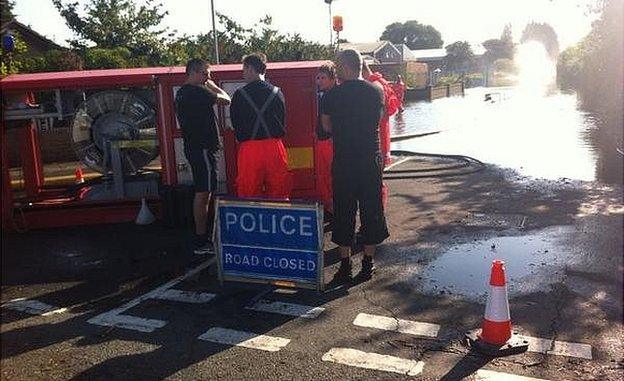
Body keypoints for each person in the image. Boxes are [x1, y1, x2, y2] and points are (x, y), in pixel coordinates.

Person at [321, 49, 389, 283]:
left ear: (347, 67)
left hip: (344, 160)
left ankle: (345, 265)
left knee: (344, 211)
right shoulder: (376, 91)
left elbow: (326, 127)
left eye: (339, 65)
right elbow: (379, 120)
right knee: (372, 210)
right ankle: (368, 264)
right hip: (370, 157)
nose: (336, 69)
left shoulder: (331, 96)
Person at [175, 58, 231, 255]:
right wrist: (213, 85)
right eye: (206, 74)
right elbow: (226, 99)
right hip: (203, 149)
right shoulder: (197, 91)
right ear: (195, 73)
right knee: (204, 192)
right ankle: (202, 238)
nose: (209, 78)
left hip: (196, 148)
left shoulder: (182, 93)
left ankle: (205, 234)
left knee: (205, 190)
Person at [230, 53, 291, 199]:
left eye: (244, 70)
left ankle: (251, 220)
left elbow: (235, 122)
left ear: (250, 69)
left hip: (249, 148)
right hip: (274, 147)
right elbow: (282, 119)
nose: (243, 74)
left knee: (248, 191)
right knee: (279, 190)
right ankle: (278, 219)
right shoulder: (277, 92)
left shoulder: (239, 94)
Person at [362, 62, 400, 208]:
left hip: (376, 139)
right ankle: (378, 214)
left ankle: (377, 214)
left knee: (374, 182)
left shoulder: (372, 87)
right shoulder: (382, 84)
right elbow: (392, 109)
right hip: (383, 138)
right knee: (376, 180)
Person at [315, 62, 337, 216]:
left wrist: (330, 136)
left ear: (332, 79)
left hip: (328, 142)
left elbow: (329, 123)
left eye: (323, 77)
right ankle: (330, 205)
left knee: (328, 175)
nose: (319, 81)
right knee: (326, 175)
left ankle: (332, 207)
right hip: (324, 141)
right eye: (318, 78)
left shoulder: (329, 97)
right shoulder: (331, 94)